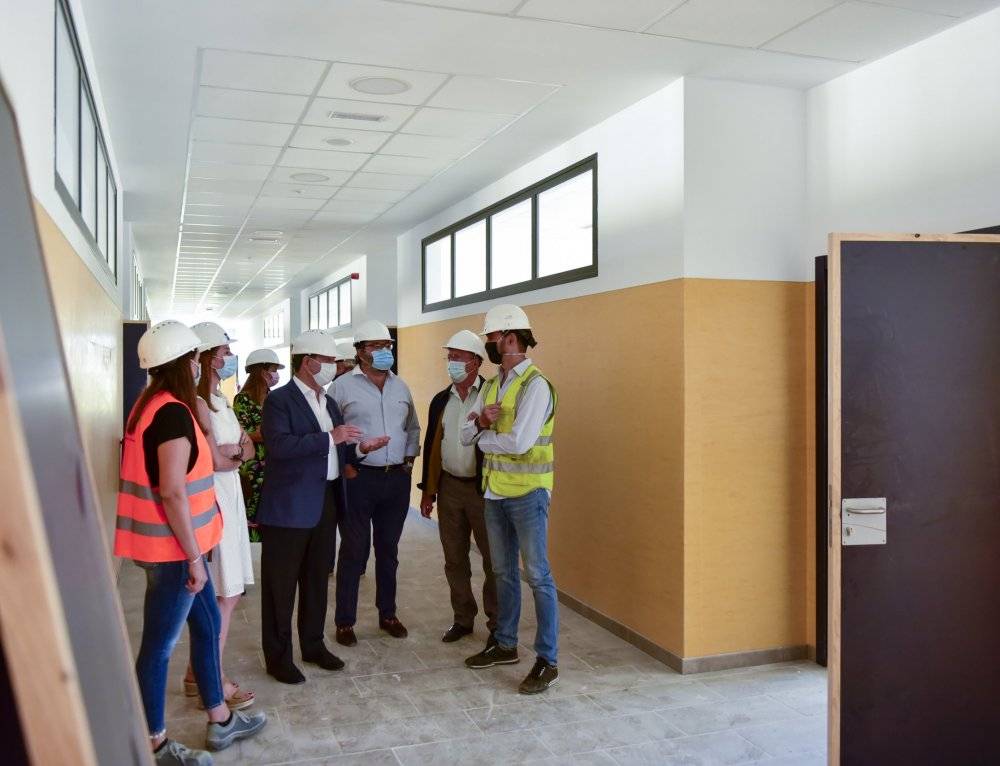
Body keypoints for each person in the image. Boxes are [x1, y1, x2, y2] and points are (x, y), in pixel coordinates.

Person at [115, 320, 266, 764]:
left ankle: (220, 717)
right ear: (185, 363)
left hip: (176, 547)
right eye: (197, 358)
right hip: (175, 552)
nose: (200, 365)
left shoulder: (151, 405)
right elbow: (173, 491)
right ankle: (154, 742)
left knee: (207, 626)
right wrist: (195, 559)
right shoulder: (172, 414)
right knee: (159, 647)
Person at [257, 330, 389, 684]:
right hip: (288, 508)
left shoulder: (328, 402)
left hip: (326, 502)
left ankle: (313, 645)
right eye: (329, 361)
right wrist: (330, 437)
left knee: (316, 580)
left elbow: (337, 451)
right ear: (308, 362)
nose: (334, 366)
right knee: (281, 587)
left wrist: (360, 449)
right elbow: (280, 446)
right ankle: (279, 658)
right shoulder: (279, 400)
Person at [461, 304, 560, 695]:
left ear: (511, 338)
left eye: (491, 338)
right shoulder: (489, 385)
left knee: (538, 576)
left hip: (529, 495)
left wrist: (482, 434)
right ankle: (505, 645)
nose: (489, 344)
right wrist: (481, 425)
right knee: (502, 572)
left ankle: (547, 660)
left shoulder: (536, 385)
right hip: (494, 493)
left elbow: (519, 443)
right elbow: (464, 434)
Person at [179, 321, 256, 712]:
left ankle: (197, 673)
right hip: (214, 501)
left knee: (229, 592)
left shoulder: (221, 400)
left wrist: (234, 453)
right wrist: (232, 454)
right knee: (225, 593)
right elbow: (211, 461)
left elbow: (248, 449)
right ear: (207, 357)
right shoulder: (196, 403)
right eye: (224, 353)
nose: (229, 358)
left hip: (231, 497)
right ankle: (213, 678)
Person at [330, 319, 420, 646]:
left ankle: (388, 614)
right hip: (359, 479)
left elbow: (413, 427)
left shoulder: (401, 386)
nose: (384, 351)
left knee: (388, 550)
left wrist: (408, 462)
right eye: (376, 346)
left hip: (395, 480)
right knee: (354, 551)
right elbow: (330, 433)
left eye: (387, 346)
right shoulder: (341, 388)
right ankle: (345, 621)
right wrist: (347, 467)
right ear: (360, 351)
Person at [418, 330, 497, 643]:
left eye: (458, 357)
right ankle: (463, 618)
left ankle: (498, 624)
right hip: (450, 488)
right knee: (454, 559)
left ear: (475, 361)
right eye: (449, 356)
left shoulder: (491, 394)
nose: (451, 362)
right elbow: (432, 445)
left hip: (484, 491)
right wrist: (428, 491)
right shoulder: (442, 400)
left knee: (494, 561)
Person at [233, 348, 285, 543]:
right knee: (254, 513)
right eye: (273, 369)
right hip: (254, 468)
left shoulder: (275, 397)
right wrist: (273, 434)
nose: (276, 374)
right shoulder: (243, 399)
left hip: (275, 465)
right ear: (262, 371)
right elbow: (243, 433)